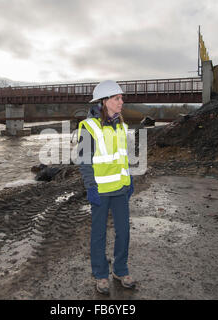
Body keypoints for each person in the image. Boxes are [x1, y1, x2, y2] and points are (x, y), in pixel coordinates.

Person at [77, 80, 136, 295]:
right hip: (100, 191)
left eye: (121, 98)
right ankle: (101, 274)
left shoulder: (121, 125)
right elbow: (84, 161)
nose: (121, 102)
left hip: (120, 189)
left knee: (124, 232)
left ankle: (120, 270)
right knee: (99, 234)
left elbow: (123, 157)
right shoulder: (88, 127)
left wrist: (129, 179)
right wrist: (90, 187)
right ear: (104, 102)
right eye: (116, 98)